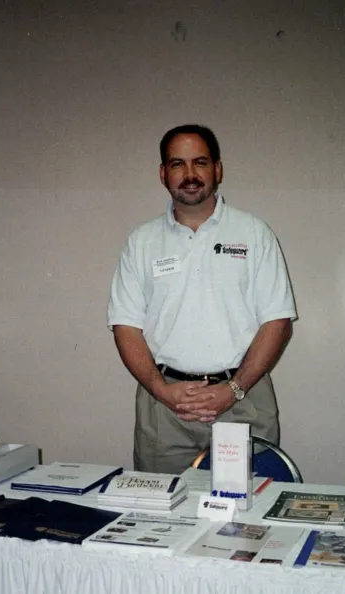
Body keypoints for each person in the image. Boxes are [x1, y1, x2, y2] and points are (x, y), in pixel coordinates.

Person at [107, 124, 297, 474]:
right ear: (163, 173)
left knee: (248, 518)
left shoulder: (254, 234)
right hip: (164, 408)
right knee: (161, 518)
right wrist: (163, 391)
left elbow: (278, 322)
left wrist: (234, 389)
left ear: (218, 169)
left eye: (200, 162)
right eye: (177, 164)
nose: (190, 174)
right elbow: (125, 326)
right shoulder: (141, 242)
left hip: (243, 401)